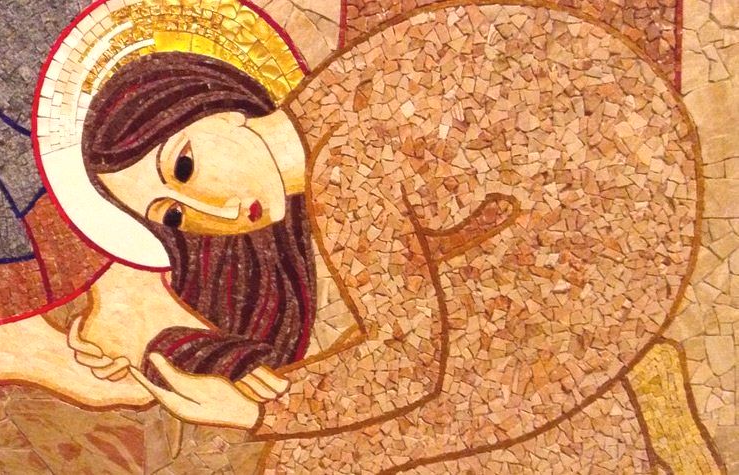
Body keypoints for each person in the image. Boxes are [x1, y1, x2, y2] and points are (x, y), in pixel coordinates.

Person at [65, 3, 701, 471]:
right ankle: (626, 403)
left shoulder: (347, 167)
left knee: (328, 458)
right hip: (570, 224)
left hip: (612, 253)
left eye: (184, 166)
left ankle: (623, 402)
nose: (215, 211)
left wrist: (253, 412)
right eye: (174, 216)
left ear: (217, 105)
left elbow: (408, 366)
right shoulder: (330, 109)